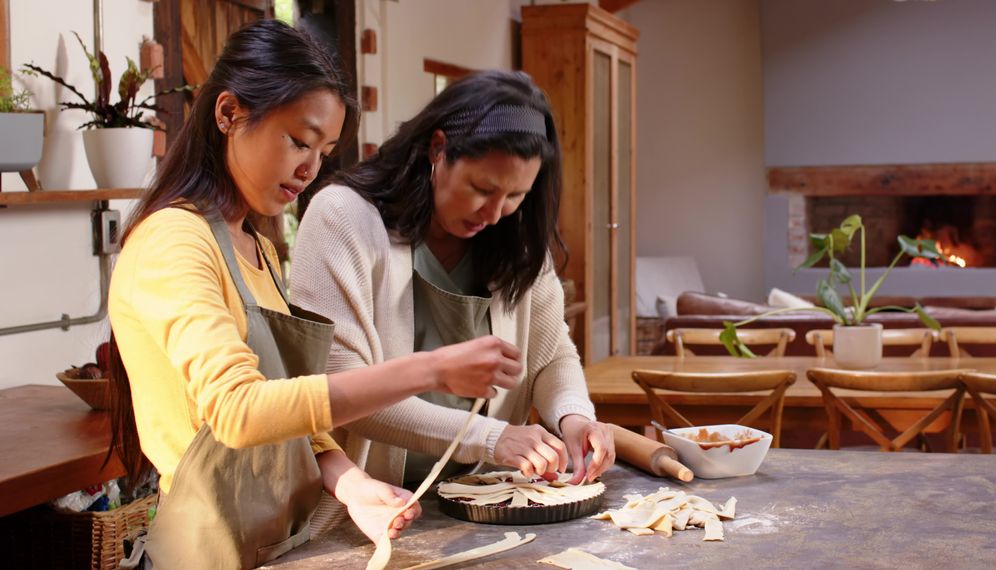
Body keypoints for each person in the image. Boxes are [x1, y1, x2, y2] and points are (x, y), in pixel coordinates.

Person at [107, 20, 522, 569]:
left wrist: (352, 485)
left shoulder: (254, 244)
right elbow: (239, 412)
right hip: (207, 555)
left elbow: (289, 418)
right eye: (299, 141)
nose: (310, 169)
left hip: (281, 547)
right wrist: (430, 369)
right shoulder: (174, 239)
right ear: (229, 114)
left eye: (324, 151)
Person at [289, 70, 615, 493]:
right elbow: (343, 395)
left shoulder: (514, 238)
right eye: (482, 188)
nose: (496, 212)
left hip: (487, 497)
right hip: (373, 505)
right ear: (438, 149)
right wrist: (491, 437)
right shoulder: (343, 218)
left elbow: (552, 357)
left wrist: (575, 416)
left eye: (516, 196)